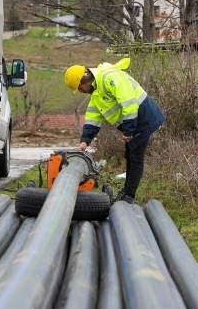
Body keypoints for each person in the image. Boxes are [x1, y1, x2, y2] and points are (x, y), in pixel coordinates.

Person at [64, 57, 165, 204]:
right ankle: (127, 193)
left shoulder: (110, 77)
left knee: (135, 155)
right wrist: (85, 142)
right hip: (134, 121)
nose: (80, 91)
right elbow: (93, 119)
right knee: (130, 154)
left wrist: (128, 131)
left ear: (84, 81)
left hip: (144, 117)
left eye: (79, 88)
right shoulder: (96, 93)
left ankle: (128, 196)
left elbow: (129, 104)